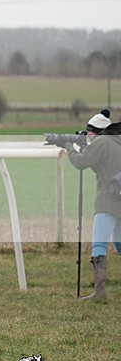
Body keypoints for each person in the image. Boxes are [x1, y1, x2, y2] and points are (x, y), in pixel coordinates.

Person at [65, 109, 121, 299]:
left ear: (93, 131)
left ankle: (100, 291)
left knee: (99, 245)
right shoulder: (116, 140)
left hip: (107, 202)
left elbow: (81, 162)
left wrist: (69, 147)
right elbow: (103, 164)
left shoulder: (101, 142)